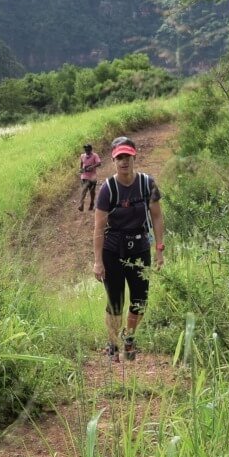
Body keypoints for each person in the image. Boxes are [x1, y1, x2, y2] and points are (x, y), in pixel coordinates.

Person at [92, 136, 165, 362]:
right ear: (114, 161)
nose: (124, 161)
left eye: (127, 157)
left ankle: (129, 340)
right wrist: (98, 261)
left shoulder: (147, 184)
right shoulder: (108, 189)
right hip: (113, 251)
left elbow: (157, 216)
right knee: (115, 301)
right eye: (119, 158)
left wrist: (159, 249)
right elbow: (98, 227)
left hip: (140, 248)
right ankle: (113, 345)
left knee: (140, 300)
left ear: (135, 157)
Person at [78, 143, 102, 211]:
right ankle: (81, 205)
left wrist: (92, 166)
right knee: (84, 189)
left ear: (91, 149)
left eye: (88, 149)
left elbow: (99, 163)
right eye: (85, 150)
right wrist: (81, 169)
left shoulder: (95, 155)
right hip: (84, 176)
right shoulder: (82, 156)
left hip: (92, 177)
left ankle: (92, 203)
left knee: (92, 192)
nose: (86, 151)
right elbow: (81, 163)